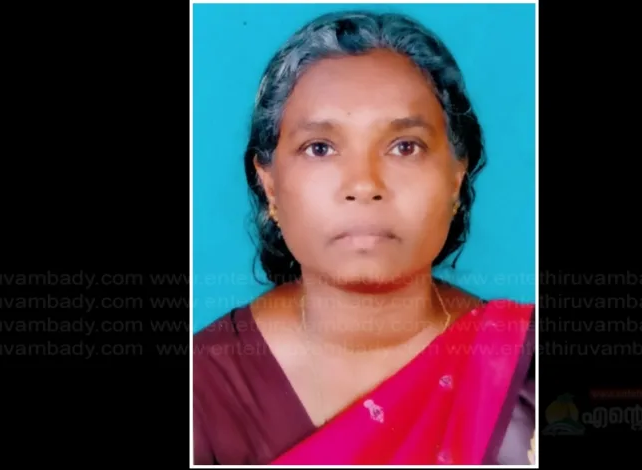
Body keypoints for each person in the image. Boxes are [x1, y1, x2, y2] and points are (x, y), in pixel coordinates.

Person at [192, 10, 536, 465]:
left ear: (457, 175)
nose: (364, 184)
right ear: (269, 184)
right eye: (320, 148)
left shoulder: (522, 369)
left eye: (405, 147)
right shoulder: (205, 386)